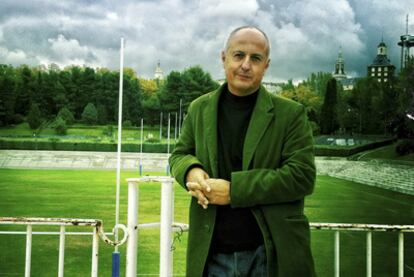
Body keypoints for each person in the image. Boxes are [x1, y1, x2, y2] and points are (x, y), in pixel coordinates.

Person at [169, 26, 316, 277]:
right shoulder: (199, 108)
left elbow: (301, 176)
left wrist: (234, 191)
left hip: (270, 254)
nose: (246, 65)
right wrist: (191, 171)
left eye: (255, 58)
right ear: (223, 57)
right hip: (211, 254)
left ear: (266, 65)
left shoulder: (291, 114)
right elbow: (179, 155)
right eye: (238, 55)